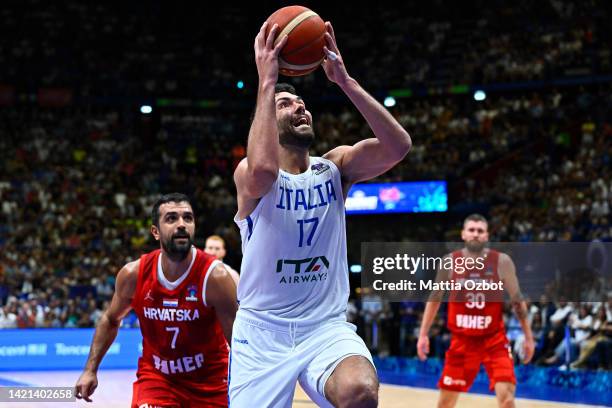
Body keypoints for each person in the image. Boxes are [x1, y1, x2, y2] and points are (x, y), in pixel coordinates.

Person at [229, 20, 412, 408]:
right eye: (286, 104)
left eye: (302, 103)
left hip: (324, 327)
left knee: (359, 391)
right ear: (264, 121)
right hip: (262, 331)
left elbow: (398, 146)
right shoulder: (251, 175)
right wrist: (267, 82)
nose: (299, 106)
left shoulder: (335, 167)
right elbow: (262, 169)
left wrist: (346, 82)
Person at [75, 193, 238, 407]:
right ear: (155, 232)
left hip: (209, 383)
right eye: (171, 218)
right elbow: (110, 319)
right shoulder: (133, 274)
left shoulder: (215, 278)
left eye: (187, 218)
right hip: (158, 380)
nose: (181, 224)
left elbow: (238, 341)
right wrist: (90, 370)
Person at [417, 214, 535, 408]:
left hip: (494, 340)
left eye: (480, 231)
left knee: (507, 399)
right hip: (462, 341)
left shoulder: (501, 262)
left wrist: (528, 337)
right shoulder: (450, 261)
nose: (475, 234)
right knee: (444, 404)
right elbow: (435, 299)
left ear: (486, 236)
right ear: (463, 234)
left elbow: (518, 301)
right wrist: (423, 334)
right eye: (471, 230)